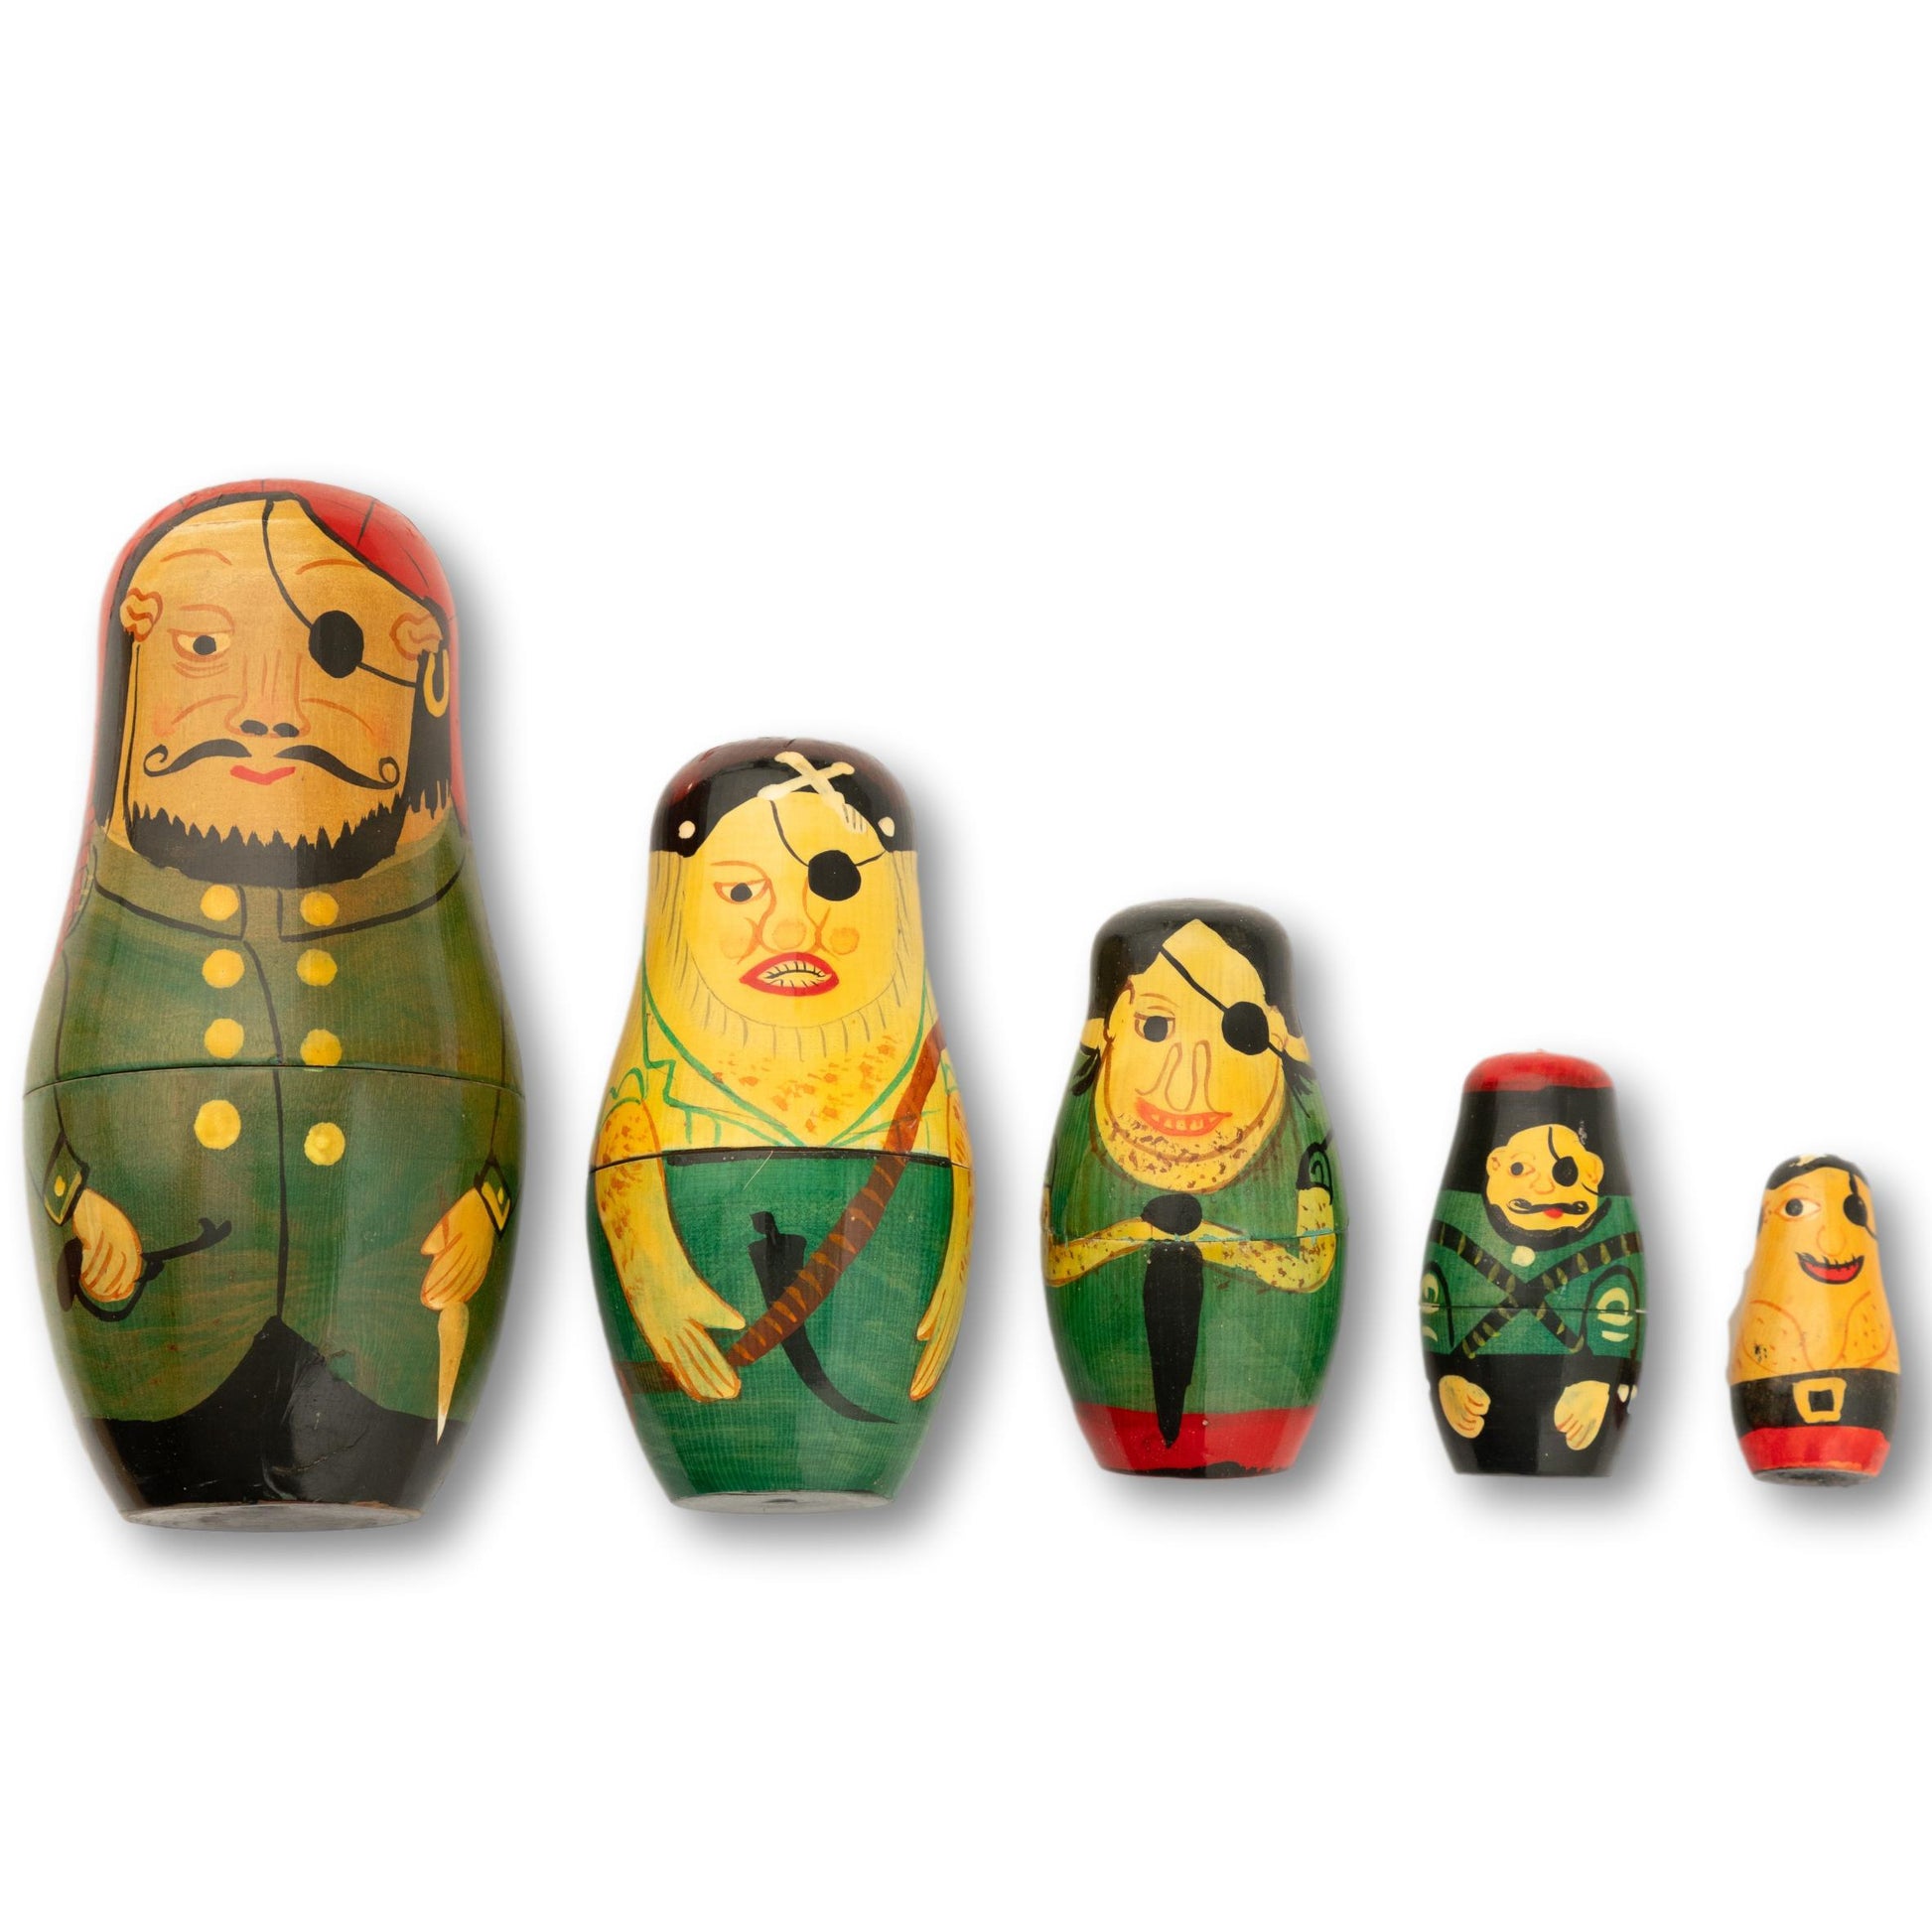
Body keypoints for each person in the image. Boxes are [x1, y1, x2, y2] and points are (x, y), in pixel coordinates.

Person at [27, 483, 519, 1519]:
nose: (263, 709)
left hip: (384, 1353)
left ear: (422, 673)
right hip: (164, 1351)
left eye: (336, 652)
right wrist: (82, 1203)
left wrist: (482, 1204)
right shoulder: (121, 900)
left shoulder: (426, 896)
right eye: (202, 648)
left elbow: (477, 1099)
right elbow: (70, 1106)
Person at [591, 739, 971, 1505]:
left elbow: (951, 1184)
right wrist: (642, 1241)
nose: (791, 929)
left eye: (836, 882)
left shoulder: (918, 1083)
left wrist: (954, 1240)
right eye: (739, 892)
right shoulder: (662, 1084)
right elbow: (631, 1148)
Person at [1042, 902, 1343, 1476]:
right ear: (1108, 1027)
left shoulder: (1303, 1160)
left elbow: (1312, 1268)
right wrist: (1139, 1232)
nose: (1186, 1086)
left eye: (1240, 1034)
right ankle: (1149, 1444)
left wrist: (1202, 1238)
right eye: (1154, 1028)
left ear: (1279, 1035)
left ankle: (1229, 1443)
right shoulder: (1089, 1143)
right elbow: (1061, 1258)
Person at [1420, 1054, 1642, 1475]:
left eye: (1566, 1171)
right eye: (1521, 1168)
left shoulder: (1609, 1242)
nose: (1543, 1186)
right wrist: (1451, 1377)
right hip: (1477, 1388)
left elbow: (1618, 1308)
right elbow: (1440, 1298)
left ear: (1594, 1171)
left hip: (1582, 1396)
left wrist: (1596, 1382)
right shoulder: (1460, 1234)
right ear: (1494, 1165)